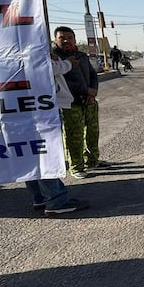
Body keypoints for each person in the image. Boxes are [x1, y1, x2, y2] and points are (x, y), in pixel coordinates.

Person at [25, 54, 90, 214]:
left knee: (33, 153)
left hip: (25, 105)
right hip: (41, 108)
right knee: (44, 153)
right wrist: (66, 63)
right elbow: (45, 69)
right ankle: (56, 200)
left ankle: (40, 197)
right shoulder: (26, 44)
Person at [51, 26, 108, 179]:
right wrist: (83, 91)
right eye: (62, 38)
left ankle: (93, 160)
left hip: (89, 100)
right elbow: (60, 81)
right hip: (70, 103)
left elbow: (92, 75)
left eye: (69, 38)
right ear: (55, 40)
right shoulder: (53, 58)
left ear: (74, 40)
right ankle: (76, 166)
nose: (66, 41)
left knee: (92, 132)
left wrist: (93, 90)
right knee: (73, 135)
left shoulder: (81, 55)